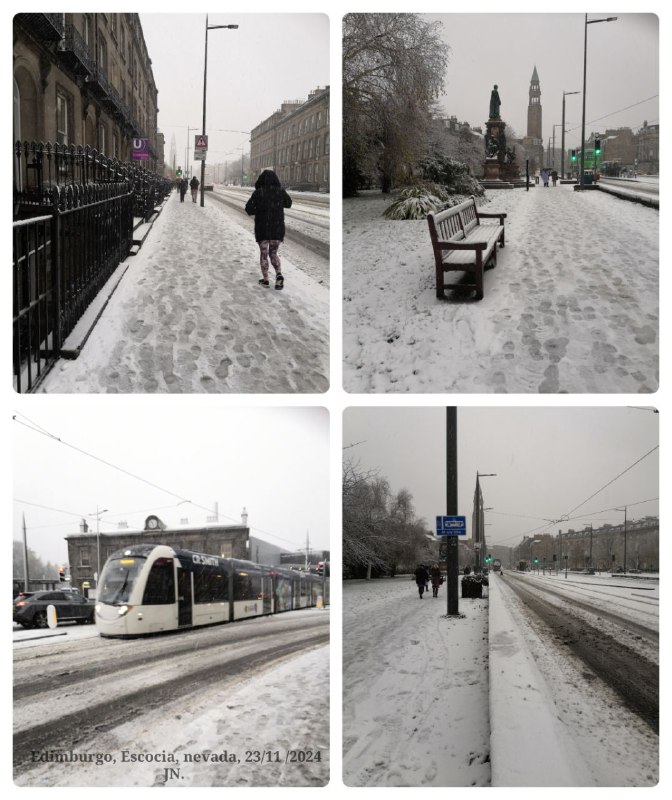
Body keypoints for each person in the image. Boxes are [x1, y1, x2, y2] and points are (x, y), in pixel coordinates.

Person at [245, 169, 292, 290]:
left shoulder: (258, 193)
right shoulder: (280, 192)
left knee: (264, 254)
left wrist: (260, 211)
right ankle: (279, 275)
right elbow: (289, 203)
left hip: (262, 228)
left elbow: (248, 209)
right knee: (273, 253)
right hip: (277, 228)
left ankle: (266, 280)